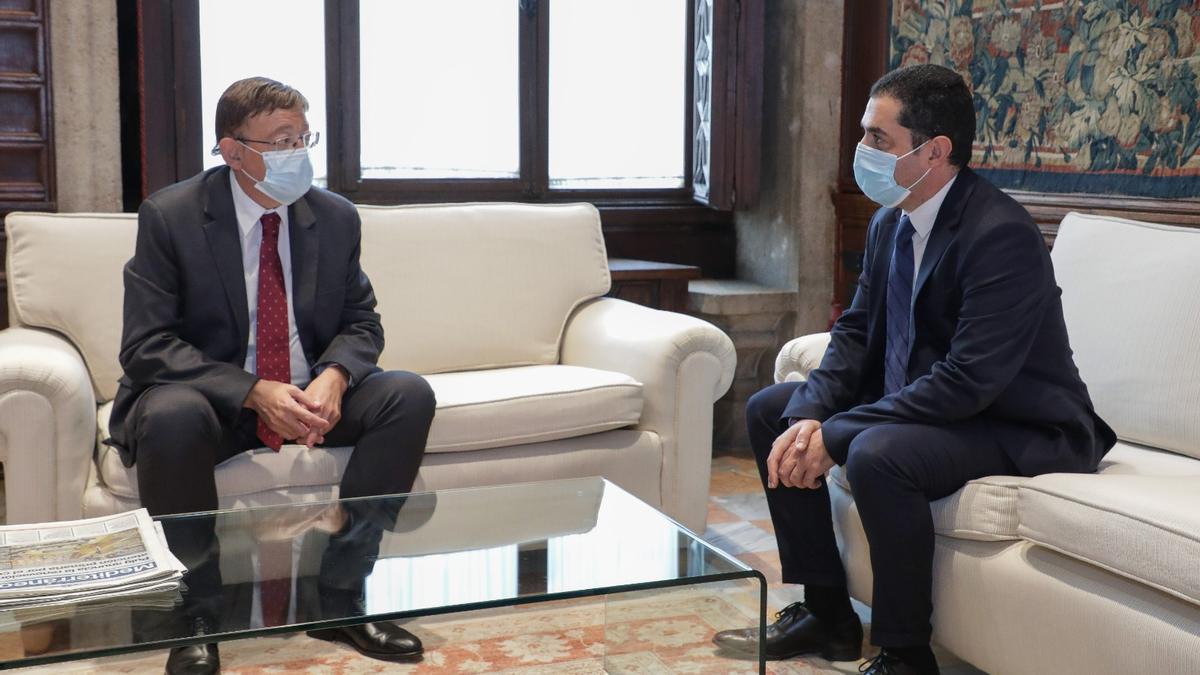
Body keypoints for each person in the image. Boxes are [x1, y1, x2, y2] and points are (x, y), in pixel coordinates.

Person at [712, 64, 1115, 674]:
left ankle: (905, 653)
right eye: (863, 135)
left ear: (936, 150)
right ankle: (828, 615)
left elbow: (968, 380)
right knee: (775, 410)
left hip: (1016, 420)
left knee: (877, 453)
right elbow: (854, 331)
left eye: (879, 139)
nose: (862, 152)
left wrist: (839, 432)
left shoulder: (999, 233)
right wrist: (811, 415)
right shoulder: (889, 220)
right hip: (941, 403)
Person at [108, 76, 437, 674]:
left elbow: (363, 322)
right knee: (170, 413)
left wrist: (334, 376)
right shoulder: (173, 216)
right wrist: (254, 392)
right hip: (220, 404)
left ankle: (341, 595)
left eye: (303, 136)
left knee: (406, 394)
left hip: (310, 396)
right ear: (233, 151)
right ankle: (199, 611)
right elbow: (147, 346)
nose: (299, 153)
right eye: (281, 140)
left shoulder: (334, 217)